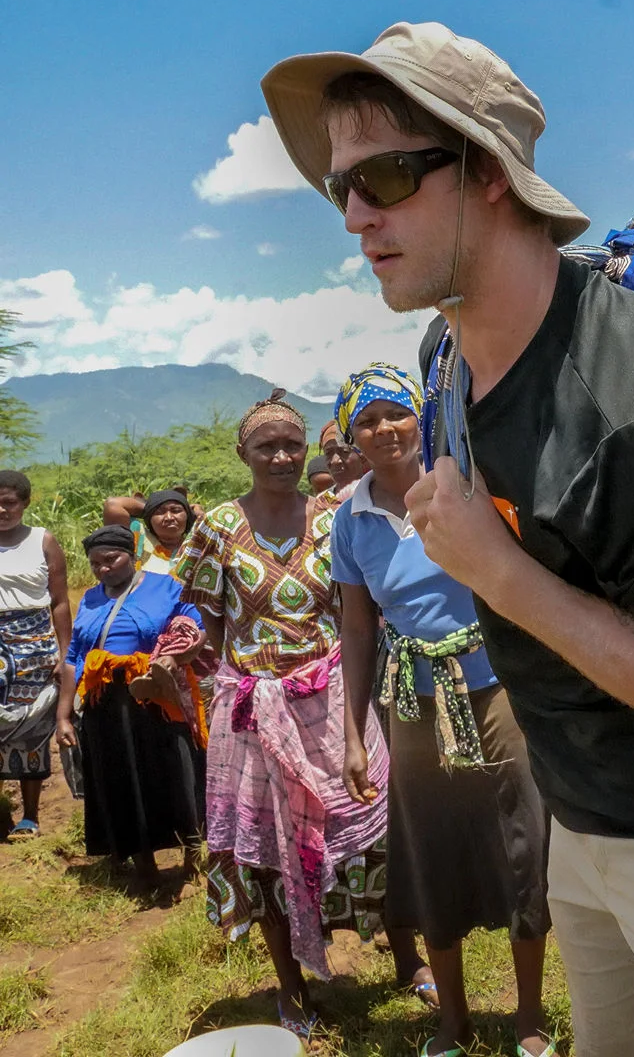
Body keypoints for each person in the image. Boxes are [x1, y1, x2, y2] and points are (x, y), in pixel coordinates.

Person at [262, 21, 634, 1056]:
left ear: (488, 171)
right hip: (588, 816)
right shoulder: (447, 352)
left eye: (386, 175)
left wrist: (494, 572)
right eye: (339, 187)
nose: (354, 216)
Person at [176, 391, 429, 1038]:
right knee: (266, 855)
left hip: (335, 703)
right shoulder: (217, 529)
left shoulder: (333, 518)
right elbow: (204, 620)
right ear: (243, 453)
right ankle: (291, 988)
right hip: (255, 717)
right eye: (267, 446)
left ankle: (408, 959)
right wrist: (186, 653)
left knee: (378, 832)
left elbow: (356, 613)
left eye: (292, 444)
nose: (282, 456)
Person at [328, 364, 554, 1057]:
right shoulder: (351, 518)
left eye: (396, 412)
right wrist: (354, 734)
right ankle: (451, 1019)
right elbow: (358, 630)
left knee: (524, 841)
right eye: (365, 421)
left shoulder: (463, 484)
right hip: (414, 702)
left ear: (419, 415)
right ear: (349, 437)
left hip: (497, 686)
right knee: (430, 851)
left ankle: (529, 1018)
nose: (384, 429)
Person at [53, 525, 206, 890]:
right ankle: (143, 863)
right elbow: (75, 657)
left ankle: (194, 858)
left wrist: (174, 656)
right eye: (95, 564)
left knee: (177, 773)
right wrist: (63, 715)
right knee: (122, 779)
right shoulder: (90, 598)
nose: (103, 569)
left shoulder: (166, 586)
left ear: (133, 554)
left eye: (111, 560)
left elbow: (197, 627)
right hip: (105, 704)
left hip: (156, 695)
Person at [0, 470, 72, 838]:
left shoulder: (42, 541)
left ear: (25, 503)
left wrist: (65, 654)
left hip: (34, 648)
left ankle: (30, 816)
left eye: (9, 502)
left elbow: (59, 602)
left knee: (32, 727)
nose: (1, 509)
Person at [103, 488, 196, 575]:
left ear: (187, 515)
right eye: (160, 512)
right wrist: (149, 506)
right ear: (149, 519)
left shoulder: (197, 544)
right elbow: (113, 505)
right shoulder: (138, 538)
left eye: (176, 511)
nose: (169, 517)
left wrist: (197, 517)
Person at [319, 419, 371, 494]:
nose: (335, 461)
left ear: (362, 454)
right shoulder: (322, 503)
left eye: (344, 451)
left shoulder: (383, 495)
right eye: (328, 453)